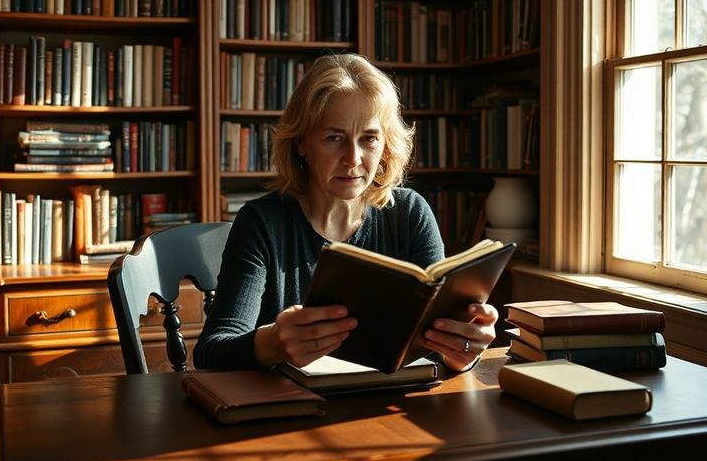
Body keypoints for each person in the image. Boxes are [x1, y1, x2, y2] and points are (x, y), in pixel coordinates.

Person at [194, 53, 498, 372]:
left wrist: (461, 351)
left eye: (368, 139)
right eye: (334, 138)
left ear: (385, 145)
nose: (353, 158)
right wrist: (272, 343)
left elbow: (436, 344)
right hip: (291, 412)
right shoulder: (262, 223)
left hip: (387, 409)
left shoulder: (410, 213)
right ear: (301, 143)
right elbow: (211, 353)